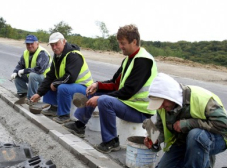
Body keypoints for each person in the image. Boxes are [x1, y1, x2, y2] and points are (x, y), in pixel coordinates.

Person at [64, 24, 157, 153]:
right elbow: (115, 83)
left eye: (122, 43)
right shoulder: (129, 60)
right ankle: (79, 125)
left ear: (134, 42)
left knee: (104, 101)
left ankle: (111, 141)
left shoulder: (143, 61)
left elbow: (128, 91)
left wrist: (101, 98)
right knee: (94, 91)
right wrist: (97, 85)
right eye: (119, 43)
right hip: (130, 103)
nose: (120, 47)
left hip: (140, 110)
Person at [143, 73, 227, 168]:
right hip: (186, 140)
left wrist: (188, 123)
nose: (160, 107)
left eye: (162, 103)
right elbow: (162, 127)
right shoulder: (164, 106)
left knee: (196, 135)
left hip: (218, 138)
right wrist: (155, 139)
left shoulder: (200, 97)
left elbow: (224, 125)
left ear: (170, 95)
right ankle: (204, 164)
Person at [30, 32, 93, 124]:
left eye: (56, 44)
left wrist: (55, 83)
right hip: (72, 85)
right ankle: (53, 108)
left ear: (64, 42)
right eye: (52, 45)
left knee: (62, 87)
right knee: (49, 82)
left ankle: (64, 115)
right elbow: (50, 76)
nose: (54, 48)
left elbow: (70, 77)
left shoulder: (74, 55)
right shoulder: (58, 56)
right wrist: (39, 93)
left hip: (85, 88)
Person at [10, 34, 51, 100]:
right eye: (28, 44)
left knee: (33, 75)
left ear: (37, 44)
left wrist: (24, 71)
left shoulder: (42, 53)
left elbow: (40, 69)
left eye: (32, 44)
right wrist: (15, 72)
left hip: (44, 78)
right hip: (32, 76)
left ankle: (32, 98)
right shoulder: (26, 52)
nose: (29, 46)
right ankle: (23, 94)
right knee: (17, 74)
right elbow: (20, 65)